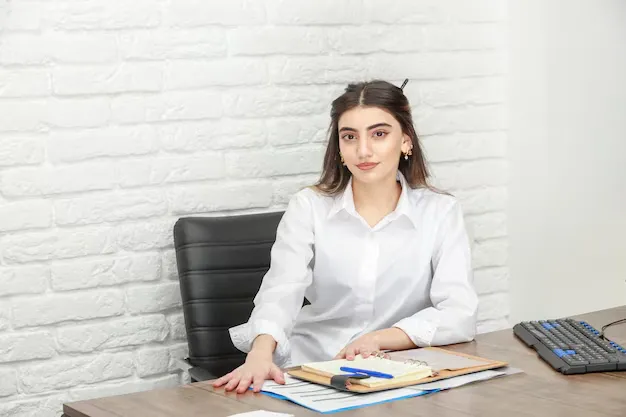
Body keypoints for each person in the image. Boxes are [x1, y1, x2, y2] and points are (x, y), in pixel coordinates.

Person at [213, 79, 478, 394]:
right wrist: (259, 354)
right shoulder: (308, 207)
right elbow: (280, 292)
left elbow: (459, 312)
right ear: (339, 148)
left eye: (379, 134)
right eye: (349, 137)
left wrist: (378, 338)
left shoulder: (441, 212)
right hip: (312, 370)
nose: (363, 150)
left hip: (397, 375)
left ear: (406, 141)